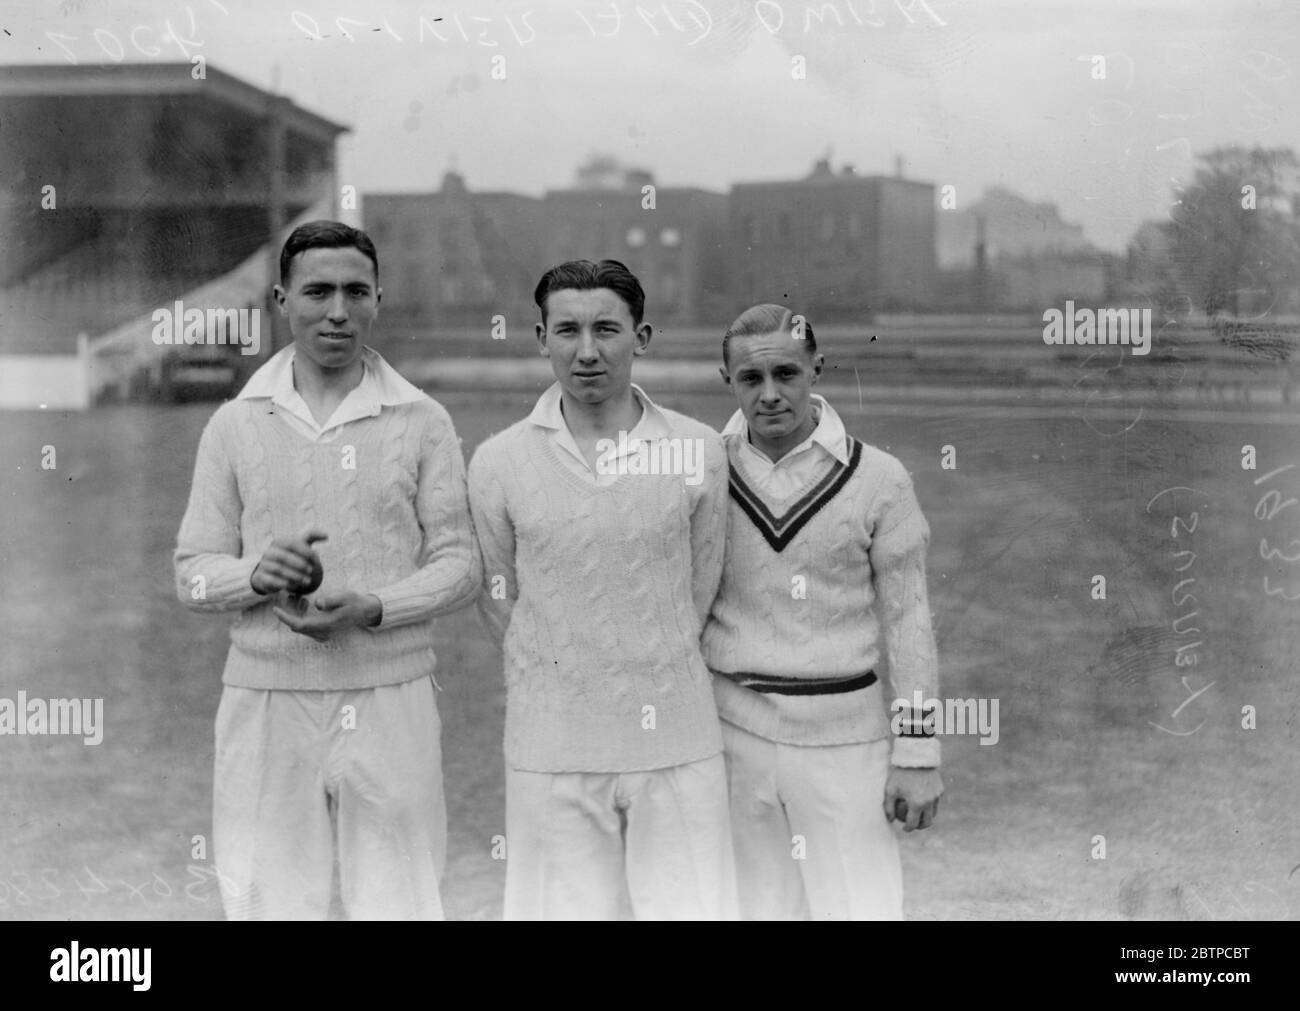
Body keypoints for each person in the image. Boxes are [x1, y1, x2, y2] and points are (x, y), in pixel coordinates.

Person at [173, 220, 481, 920]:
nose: (337, 311)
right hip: (264, 700)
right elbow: (191, 572)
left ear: (378, 298)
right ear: (282, 298)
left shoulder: (422, 419)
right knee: (266, 903)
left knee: (401, 901)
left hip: (390, 693)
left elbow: (461, 565)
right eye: (317, 291)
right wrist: (255, 574)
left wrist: (370, 605)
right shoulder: (234, 422)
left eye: (355, 291)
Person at [467, 259, 737, 920]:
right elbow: (499, 595)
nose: (587, 351)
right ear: (541, 337)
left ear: (640, 336)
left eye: (607, 329)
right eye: (568, 330)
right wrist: (569, 669)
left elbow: (699, 587)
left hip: (675, 742)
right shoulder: (499, 459)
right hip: (551, 744)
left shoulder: (696, 449)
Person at [703, 303, 943, 920]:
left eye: (787, 373)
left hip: (844, 743)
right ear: (727, 379)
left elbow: (910, 622)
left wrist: (918, 756)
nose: (771, 394)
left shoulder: (879, 478)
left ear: (817, 369)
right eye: (750, 379)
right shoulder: (702, 472)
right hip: (733, 739)